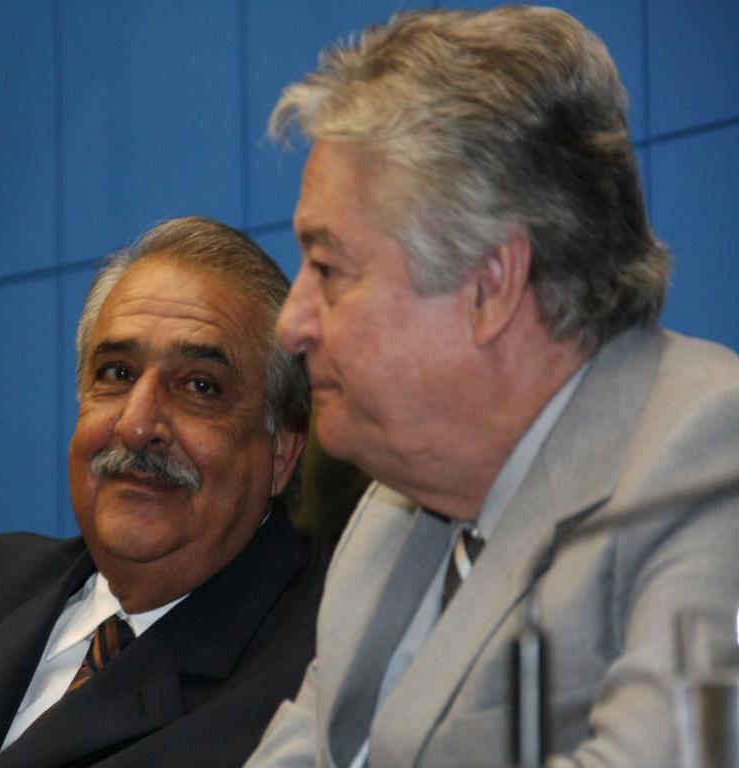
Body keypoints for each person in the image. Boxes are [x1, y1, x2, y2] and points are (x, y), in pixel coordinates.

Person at [246, 6, 739, 768]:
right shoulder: (393, 505)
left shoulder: (710, 461)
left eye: (329, 268)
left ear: (490, 286)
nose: (292, 324)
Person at [0, 216, 329, 767]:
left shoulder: (325, 672)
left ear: (283, 450)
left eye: (200, 386)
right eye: (117, 373)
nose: (136, 425)